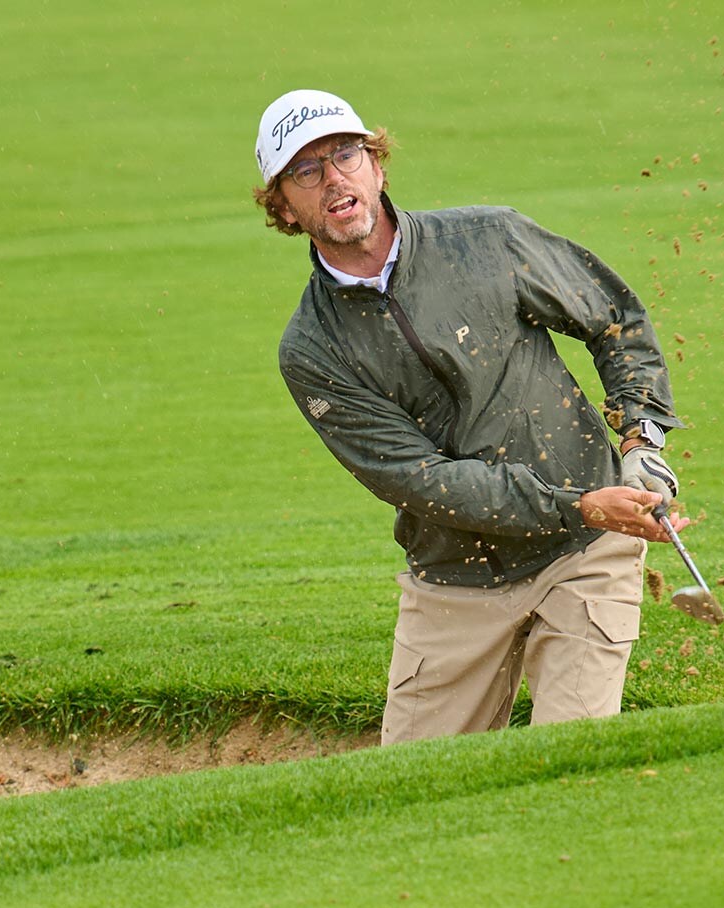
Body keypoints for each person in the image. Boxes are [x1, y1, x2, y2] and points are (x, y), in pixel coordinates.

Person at [253, 90, 689, 745]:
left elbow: (613, 318)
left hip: (583, 555)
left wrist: (641, 438)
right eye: (306, 171)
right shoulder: (312, 350)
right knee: (413, 795)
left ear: (377, 164)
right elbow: (426, 480)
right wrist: (582, 502)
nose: (333, 178)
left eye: (345, 154)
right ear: (283, 206)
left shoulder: (486, 238)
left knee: (566, 761)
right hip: (455, 582)